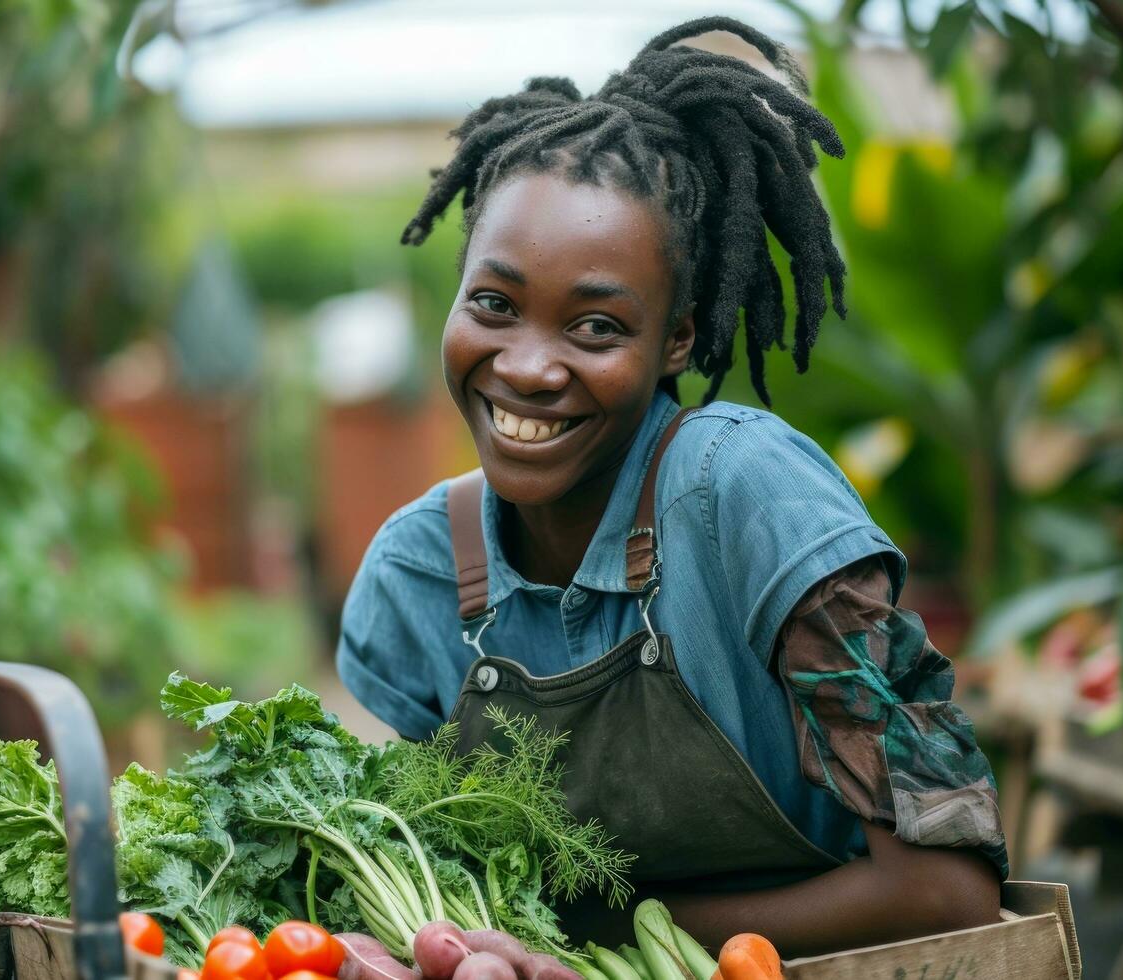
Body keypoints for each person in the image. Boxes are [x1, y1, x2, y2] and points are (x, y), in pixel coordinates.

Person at [336, 17, 1006, 957]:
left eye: (596, 327)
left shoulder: (749, 499)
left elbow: (947, 892)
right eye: (493, 305)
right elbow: (426, 897)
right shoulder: (415, 576)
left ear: (678, 340)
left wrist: (608, 937)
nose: (527, 367)